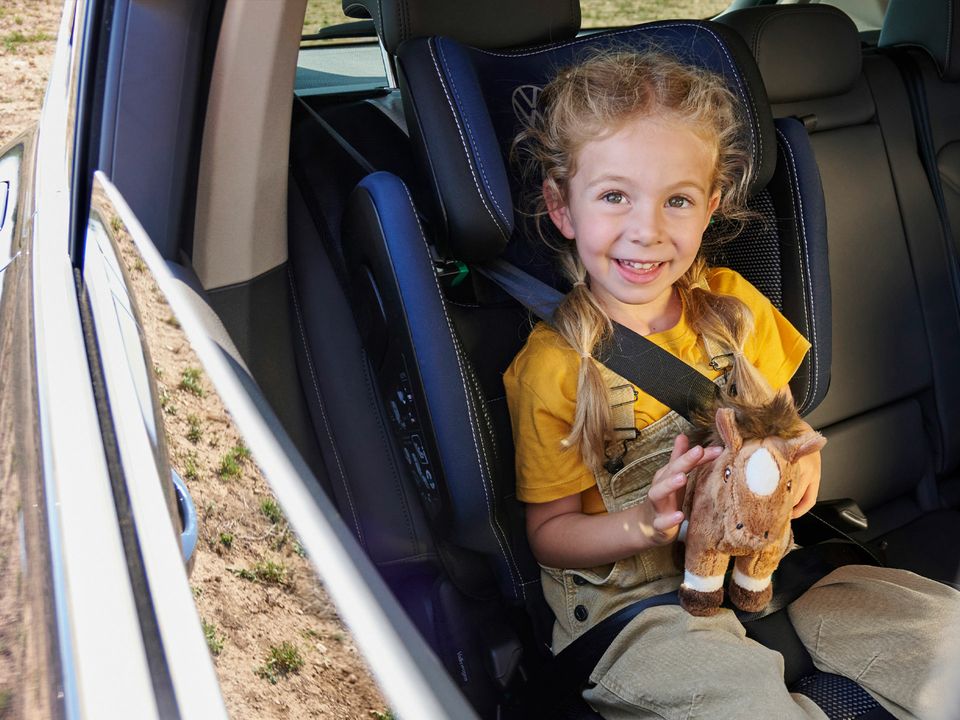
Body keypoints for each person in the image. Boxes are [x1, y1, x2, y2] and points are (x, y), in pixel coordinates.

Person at [504, 48, 959, 720]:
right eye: (613, 197)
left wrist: (804, 456)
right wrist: (644, 522)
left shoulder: (733, 306)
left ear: (711, 206)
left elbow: (784, 424)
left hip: (766, 564)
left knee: (940, 638)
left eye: (677, 200)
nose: (647, 230)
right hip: (631, 603)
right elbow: (551, 533)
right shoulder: (553, 366)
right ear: (561, 206)